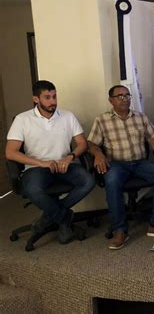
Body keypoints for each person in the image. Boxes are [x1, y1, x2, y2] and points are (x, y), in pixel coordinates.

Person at [5, 80, 95, 244]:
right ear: (36, 99)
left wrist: (70, 157)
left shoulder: (67, 116)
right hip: (36, 168)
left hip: (64, 165)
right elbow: (10, 152)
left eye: (54, 96)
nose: (53, 101)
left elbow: (82, 143)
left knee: (88, 181)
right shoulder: (22, 119)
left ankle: (48, 217)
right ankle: (64, 218)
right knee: (33, 189)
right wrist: (41, 163)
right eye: (47, 97)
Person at [88, 85, 154, 250]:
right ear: (110, 100)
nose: (124, 99)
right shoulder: (102, 120)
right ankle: (120, 229)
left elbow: (153, 141)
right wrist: (98, 154)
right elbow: (91, 143)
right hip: (116, 164)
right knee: (111, 181)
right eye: (119, 96)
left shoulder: (140, 117)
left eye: (127, 95)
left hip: (140, 163)